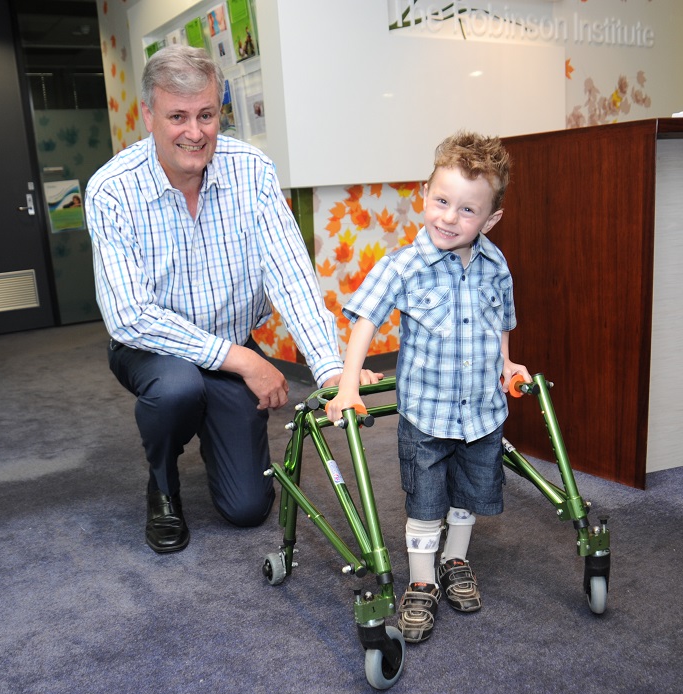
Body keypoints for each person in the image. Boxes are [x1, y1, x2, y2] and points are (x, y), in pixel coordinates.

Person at [86, 45, 379, 554]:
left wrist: (331, 369)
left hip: (227, 342)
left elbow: (291, 275)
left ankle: (213, 420)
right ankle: (163, 483)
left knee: (247, 509)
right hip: (152, 350)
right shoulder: (112, 190)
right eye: (177, 116)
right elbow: (129, 316)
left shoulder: (252, 171)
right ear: (149, 117)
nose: (194, 132)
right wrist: (245, 360)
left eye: (205, 115)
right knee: (177, 390)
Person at [326, 131, 529, 643]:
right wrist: (349, 383)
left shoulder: (496, 266)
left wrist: (506, 365)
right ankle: (422, 582)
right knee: (426, 503)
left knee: (468, 497)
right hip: (428, 416)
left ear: (490, 219)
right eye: (441, 201)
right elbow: (366, 320)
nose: (448, 217)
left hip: (482, 413)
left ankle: (456, 561)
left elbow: (500, 320)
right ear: (424, 195)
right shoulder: (404, 265)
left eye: (466, 210)